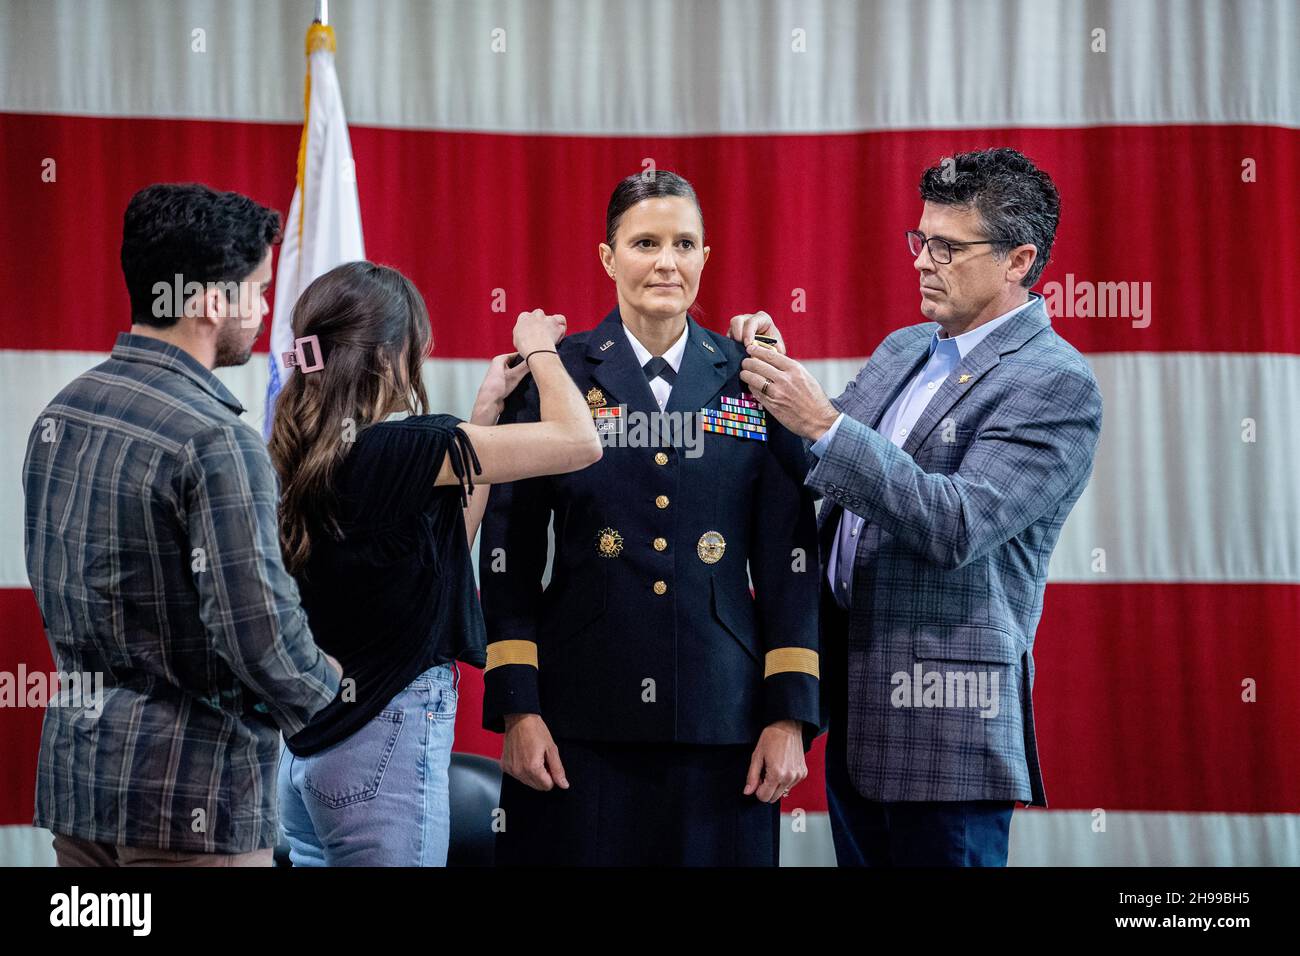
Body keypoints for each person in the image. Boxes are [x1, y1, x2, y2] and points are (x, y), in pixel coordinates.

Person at [729, 147, 1103, 866]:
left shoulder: (1056, 383)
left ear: (1018, 260)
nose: (922, 262)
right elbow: (823, 468)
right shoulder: (906, 348)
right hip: (857, 712)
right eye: (920, 240)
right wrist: (774, 378)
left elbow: (957, 523)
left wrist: (825, 423)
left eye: (948, 247)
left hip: (946, 726)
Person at [479, 171, 821, 866]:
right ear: (608, 258)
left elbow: (790, 560)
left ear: (705, 256)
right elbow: (507, 554)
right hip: (577, 722)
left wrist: (789, 715)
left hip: (723, 721)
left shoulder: (753, 376)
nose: (667, 261)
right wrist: (518, 706)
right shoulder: (556, 375)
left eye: (684, 243)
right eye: (645, 242)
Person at [21, 183, 342, 867]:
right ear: (207, 303)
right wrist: (327, 683)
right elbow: (257, 634)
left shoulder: (62, 413)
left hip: (80, 790)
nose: (263, 311)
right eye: (256, 290)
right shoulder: (214, 440)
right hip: (189, 800)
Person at [270, 261, 601, 866]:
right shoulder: (403, 447)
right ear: (387, 354)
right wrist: (541, 350)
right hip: (380, 744)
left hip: (307, 759)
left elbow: (442, 551)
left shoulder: (305, 450)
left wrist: (484, 415)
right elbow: (580, 441)